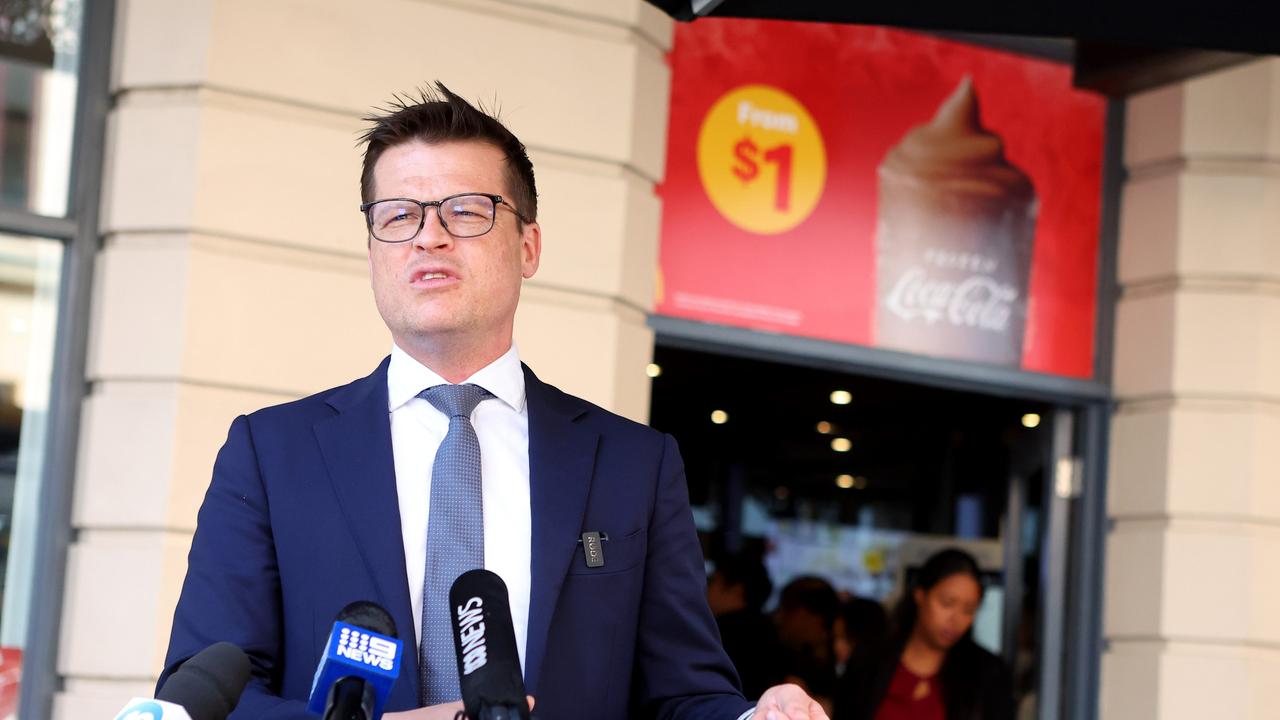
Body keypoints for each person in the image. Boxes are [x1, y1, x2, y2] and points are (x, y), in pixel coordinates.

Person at [159, 83, 827, 720]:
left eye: (466, 211)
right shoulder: (273, 454)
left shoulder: (633, 465)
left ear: (528, 245)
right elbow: (208, 693)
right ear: (372, 251)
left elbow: (681, 693)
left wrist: (752, 714)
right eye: (398, 216)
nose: (428, 237)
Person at [833, 549, 1013, 720]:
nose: (955, 619)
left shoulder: (986, 674)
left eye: (968, 610)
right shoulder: (870, 660)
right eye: (947, 603)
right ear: (920, 595)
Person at [707, 552, 785, 699]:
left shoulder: (719, 632)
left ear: (737, 589)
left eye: (712, 581)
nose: (705, 589)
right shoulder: (771, 631)